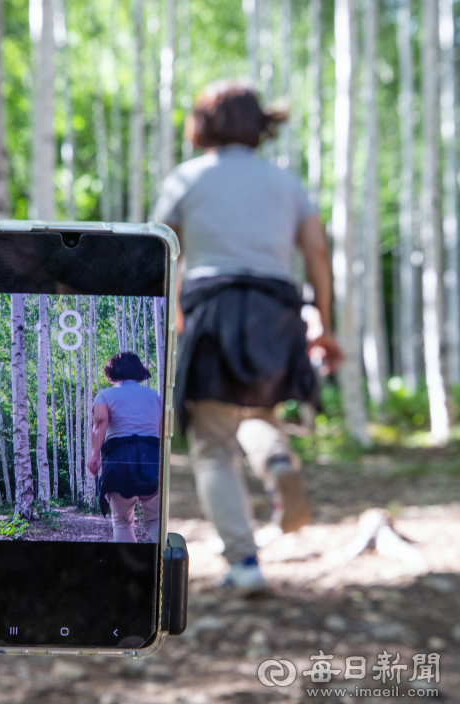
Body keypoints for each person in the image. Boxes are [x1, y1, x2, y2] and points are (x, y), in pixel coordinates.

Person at [152, 80, 342, 593]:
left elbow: (156, 251)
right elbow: (317, 255)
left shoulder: (187, 178)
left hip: (211, 307)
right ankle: (277, 462)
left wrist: (166, 317)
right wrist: (321, 322)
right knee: (258, 413)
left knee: (213, 442)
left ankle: (245, 564)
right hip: (277, 307)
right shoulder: (285, 183)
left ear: (203, 124)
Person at [87, 352, 162, 543]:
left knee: (122, 521)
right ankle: (166, 560)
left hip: (119, 460)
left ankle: (125, 570)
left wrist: (94, 456)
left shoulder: (105, 395)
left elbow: (100, 423)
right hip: (152, 459)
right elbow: (161, 432)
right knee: (154, 520)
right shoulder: (155, 397)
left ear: (111, 372)